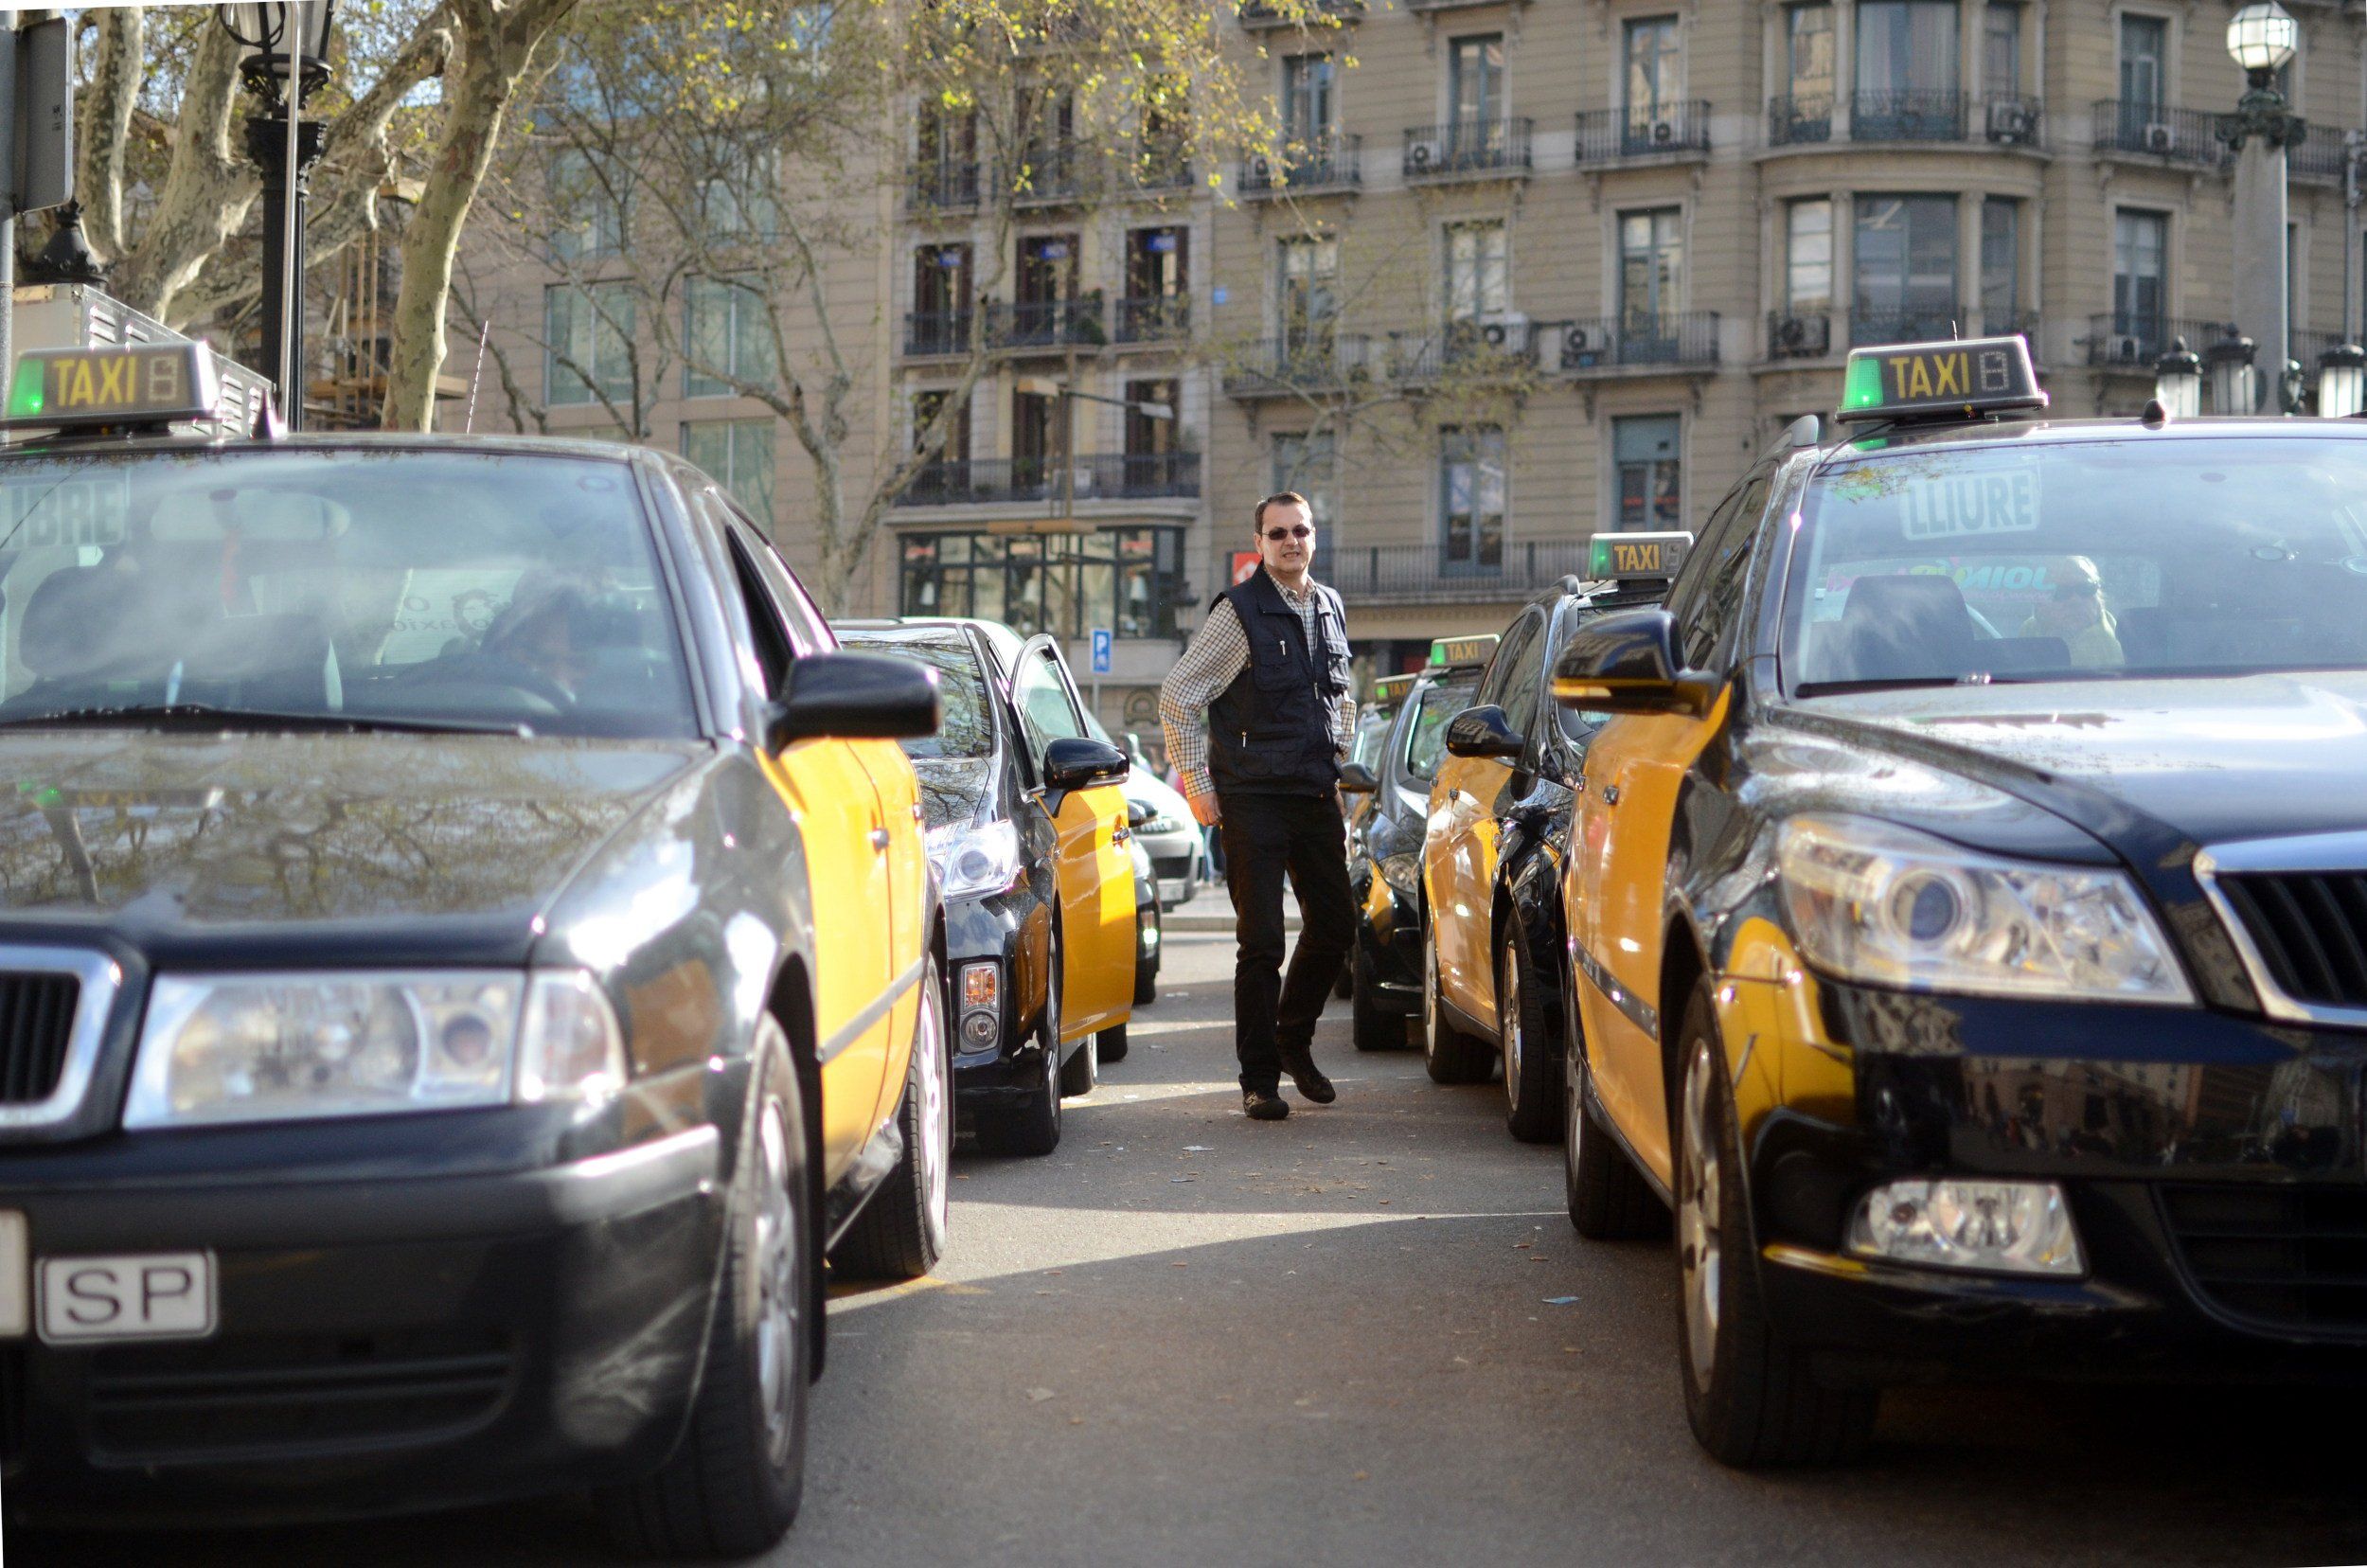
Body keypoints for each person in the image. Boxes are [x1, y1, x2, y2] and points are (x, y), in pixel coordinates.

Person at [1159, 491, 1357, 1122]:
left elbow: (1341, 697)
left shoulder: (1329, 607)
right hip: (1251, 797)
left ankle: (1292, 1040)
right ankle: (1260, 1079)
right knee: (1262, 941)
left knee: (1336, 926)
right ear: (1261, 542)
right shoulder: (1238, 613)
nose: (1291, 542)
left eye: (1301, 531)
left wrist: (1341, 761)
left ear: (1315, 538)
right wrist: (1197, 783)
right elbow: (1178, 694)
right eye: (1278, 533)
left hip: (1313, 792)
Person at [2020, 554, 2126, 668]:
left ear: (2099, 597)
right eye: (2060, 592)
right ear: (2039, 603)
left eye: (2086, 588)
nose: (2075, 601)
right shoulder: (2030, 630)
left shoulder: (2106, 648)